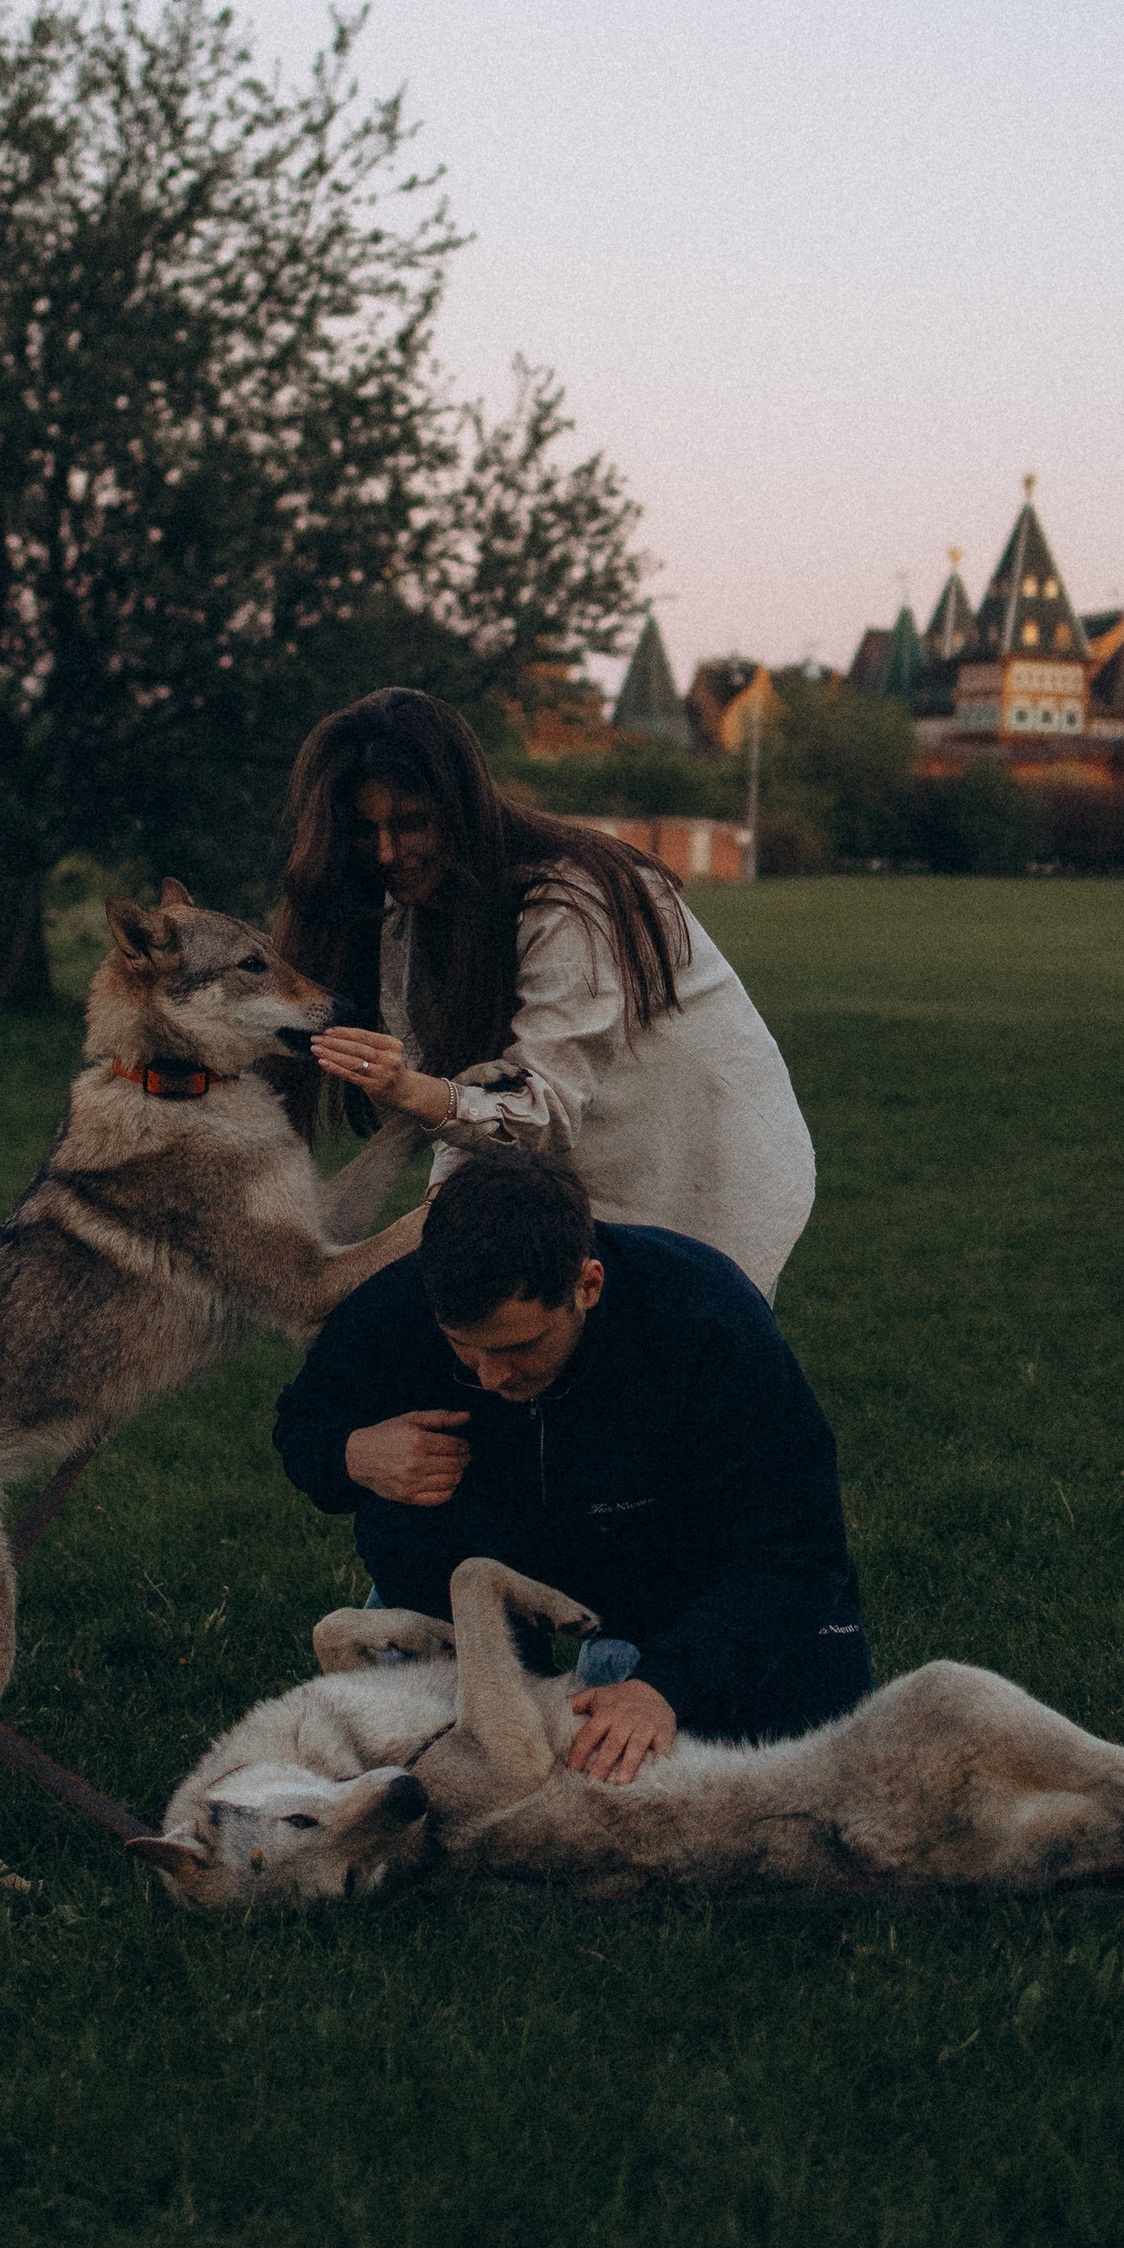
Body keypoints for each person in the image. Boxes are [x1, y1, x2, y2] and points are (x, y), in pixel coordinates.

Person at [273, 1147, 872, 1781]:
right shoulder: (396, 1302)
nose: (491, 1377)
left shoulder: (702, 1314)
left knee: (810, 1769)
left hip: (674, 1588)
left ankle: (625, 1668)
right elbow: (302, 1423)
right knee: (452, 1794)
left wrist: (666, 1687)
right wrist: (352, 1453)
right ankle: (458, 1664)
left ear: (587, 1285)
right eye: (463, 1348)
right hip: (473, 1595)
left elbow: (797, 1544)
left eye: (518, 1346)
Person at [275, 685, 815, 1296]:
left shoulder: (573, 902)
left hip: (696, 1175)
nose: (387, 853)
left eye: (411, 823)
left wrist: (407, 1091)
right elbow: (465, 1086)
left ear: (461, 809)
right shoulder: (414, 916)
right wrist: (447, 1203)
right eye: (364, 830)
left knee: (652, 1344)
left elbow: (540, 1110)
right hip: (571, 1176)